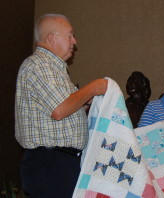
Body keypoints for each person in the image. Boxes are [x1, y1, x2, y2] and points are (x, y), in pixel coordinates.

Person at [15, 14, 107, 198]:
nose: (75, 40)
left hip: (58, 163)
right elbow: (59, 110)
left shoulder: (55, 69)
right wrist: (93, 88)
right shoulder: (40, 65)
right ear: (52, 38)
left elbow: (67, 109)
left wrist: (88, 101)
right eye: (70, 35)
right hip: (51, 164)